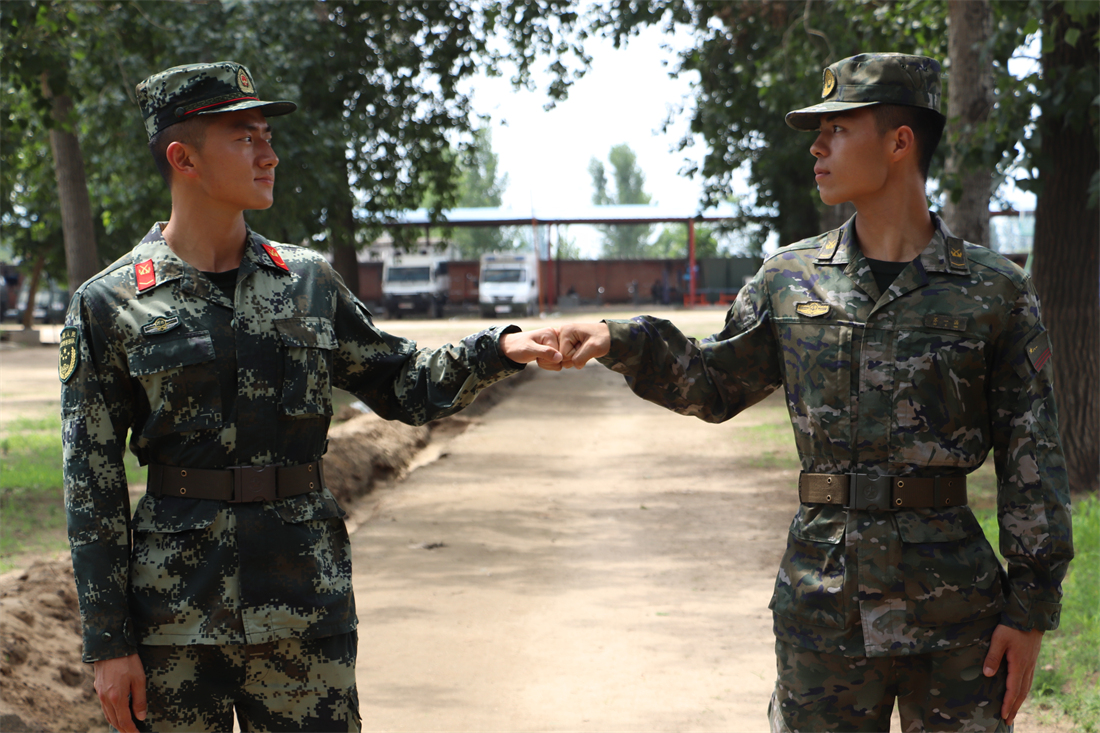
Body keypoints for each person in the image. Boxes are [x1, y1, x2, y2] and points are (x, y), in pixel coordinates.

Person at [549, 53, 1072, 732]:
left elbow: (1033, 458)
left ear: (899, 142)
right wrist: (620, 339)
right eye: (818, 132)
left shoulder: (995, 290)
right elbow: (712, 381)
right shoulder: (789, 280)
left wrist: (1029, 610)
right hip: (824, 603)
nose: (817, 147)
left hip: (955, 614)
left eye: (838, 129)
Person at [60, 61, 561, 733]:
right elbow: (90, 487)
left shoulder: (308, 283)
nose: (269, 155)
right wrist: (108, 642)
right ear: (184, 158)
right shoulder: (109, 303)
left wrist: (499, 348)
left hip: (303, 605)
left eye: (267, 135)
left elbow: (403, 382)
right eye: (245, 137)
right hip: (174, 620)